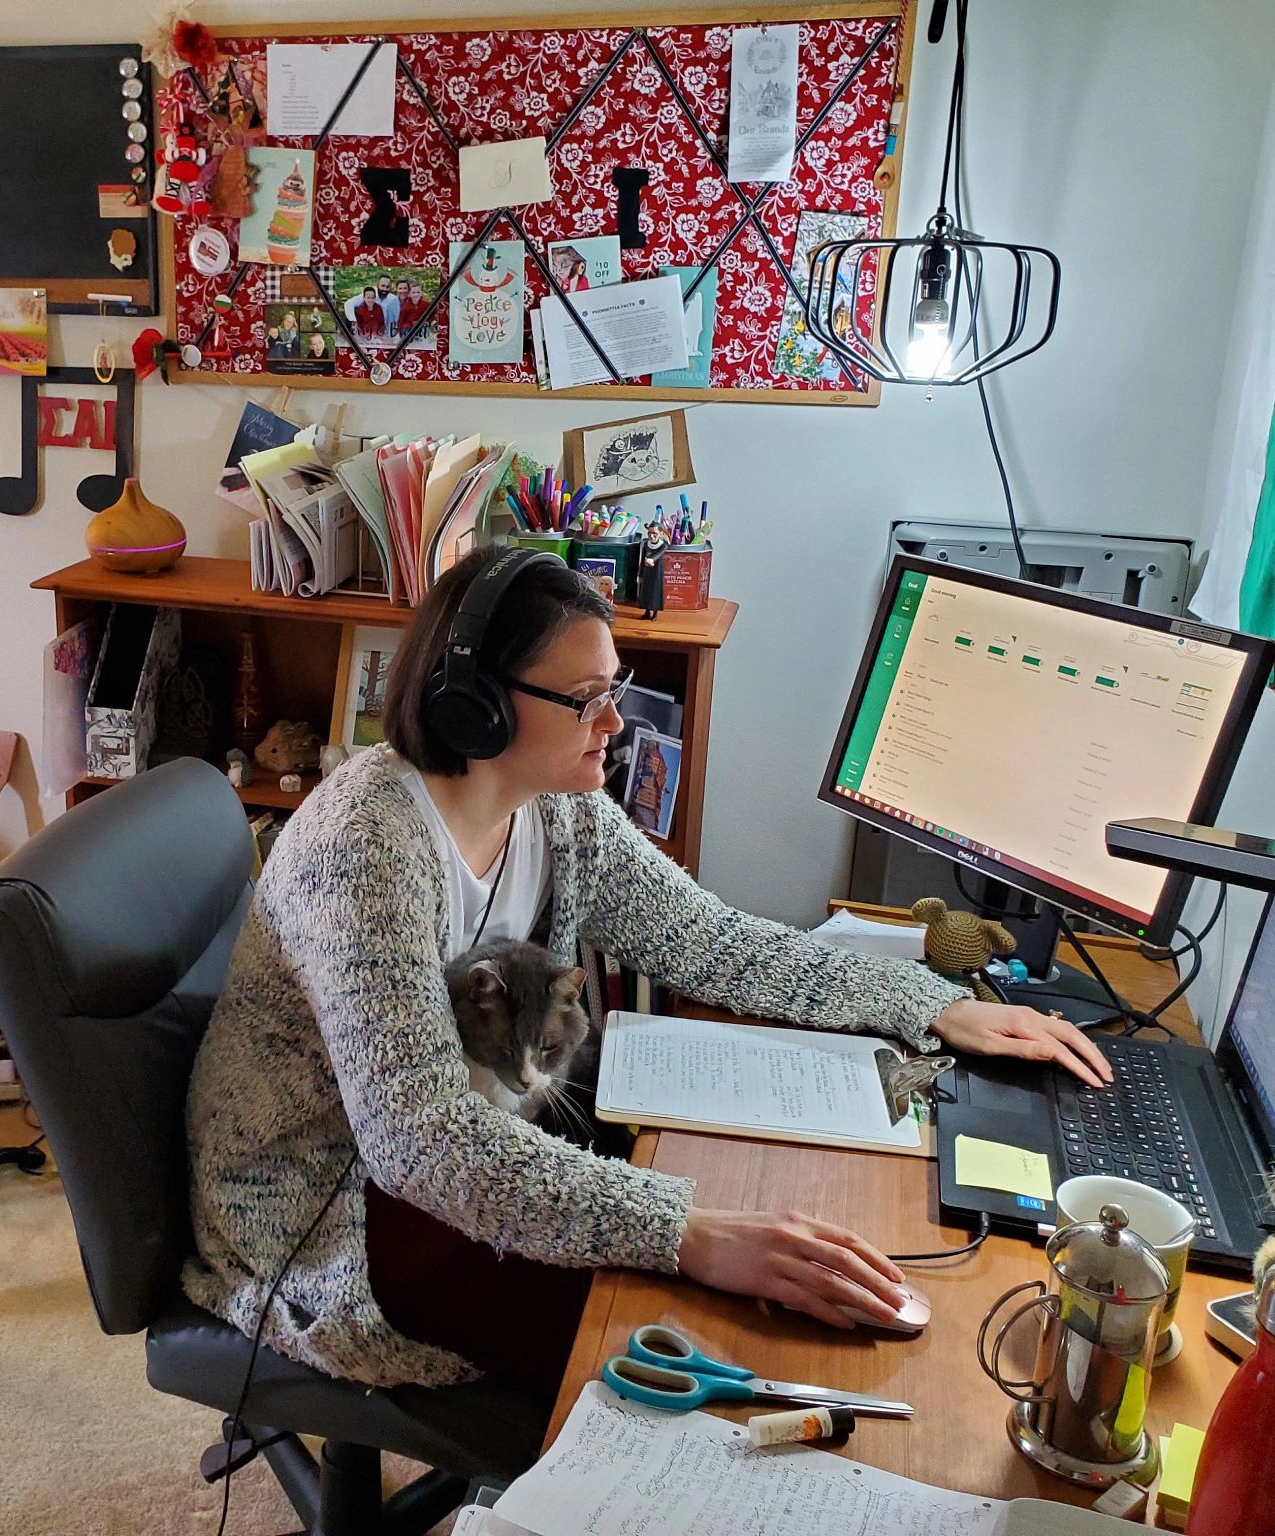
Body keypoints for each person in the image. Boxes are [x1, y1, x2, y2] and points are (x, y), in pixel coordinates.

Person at [184, 547, 1111, 1400]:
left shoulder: (555, 809)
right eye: (586, 698)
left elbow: (713, 944)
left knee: (754, 1287)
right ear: (480, 704)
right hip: (330, 1215)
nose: (615, 723)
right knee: (705, 1345)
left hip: (455, 1167)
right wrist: (686, 1231)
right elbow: (420, 1143)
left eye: (612, 689)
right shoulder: (366, 848)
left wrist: (933, 1003)